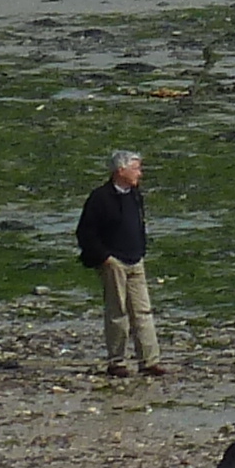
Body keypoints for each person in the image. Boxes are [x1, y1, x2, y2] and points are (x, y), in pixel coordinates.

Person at [75, 152, 164, 378]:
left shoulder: (135, 195)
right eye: (136, 169)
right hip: (113, 262)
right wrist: (105, 258)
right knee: (118, 312)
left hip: (136, 259)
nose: (140, 174)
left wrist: (141, 249)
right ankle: (117, 361)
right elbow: (85, 233)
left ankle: (149, 361)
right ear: (120, 171)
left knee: (143, 311)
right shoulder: (100, 198)